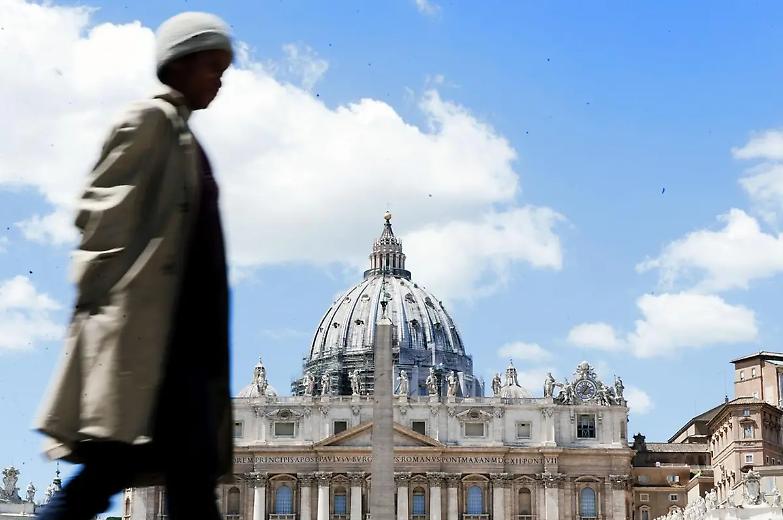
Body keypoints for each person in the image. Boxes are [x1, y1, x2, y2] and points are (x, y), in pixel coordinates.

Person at [33, 12, 234, 520]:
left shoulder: (188, 139)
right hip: (149, 346)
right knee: (104, 479)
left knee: (185, 490)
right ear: (181, 64)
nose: (221, 78)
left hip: (183, 353)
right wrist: (110, 315)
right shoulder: (149, 122)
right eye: (213, 65)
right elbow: (98, 219)